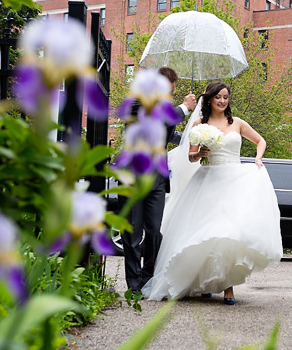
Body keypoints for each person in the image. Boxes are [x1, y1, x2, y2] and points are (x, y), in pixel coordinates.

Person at [142, 81, 283, 304]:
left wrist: (258, 158)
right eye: (218, 97)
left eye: (226, 97)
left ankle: (228, 288)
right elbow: (190, 156)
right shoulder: (200, 124)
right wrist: (200, 154)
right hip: (207, 181)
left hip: (234, 181)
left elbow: (260, 140)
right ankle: (205, 283)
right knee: (205, 234)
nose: (222, 101)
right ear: (209, 99)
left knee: (229, 233)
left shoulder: (236, 123)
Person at [121, 67, 196, 294]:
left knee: (154, 232)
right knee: (132, 234)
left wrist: (192, 139)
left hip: (158, 179)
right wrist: (183, 108)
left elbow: (167, 134)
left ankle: (148, 279)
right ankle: (133, 285)